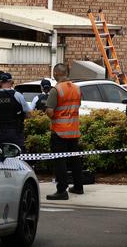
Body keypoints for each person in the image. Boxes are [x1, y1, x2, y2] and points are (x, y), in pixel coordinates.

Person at [45, 63, 83, 200]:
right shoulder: (77, 89)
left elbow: (50, 112)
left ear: (56, 74)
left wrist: (51, 114)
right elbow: (77, 106)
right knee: (75, 160)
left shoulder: (56, 90)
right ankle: (78, 187)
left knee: (60, 161)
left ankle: (62, 191)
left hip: (60, 132)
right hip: (73, 131)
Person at [0, 72, 31, 150]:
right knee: (17, 157)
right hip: (15, 134)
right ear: (11, 82)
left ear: (0, 83)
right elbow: (29, 114)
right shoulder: (18, 96)